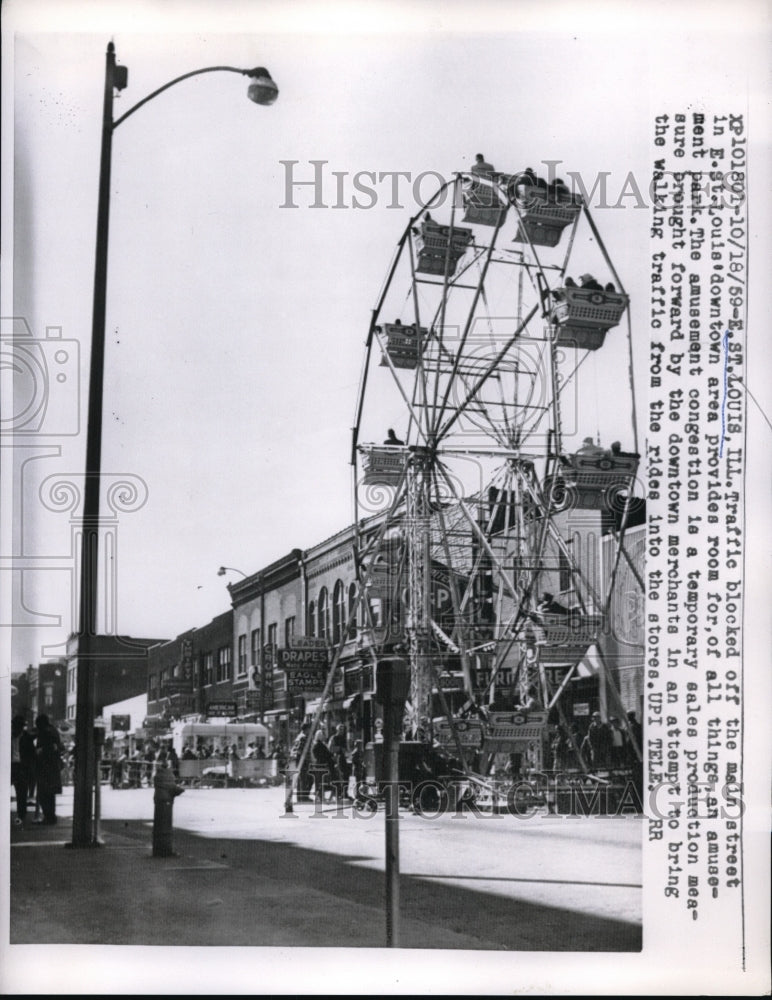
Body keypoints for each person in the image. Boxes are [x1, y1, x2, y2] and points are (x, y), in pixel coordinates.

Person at [33, 715, 63, 825]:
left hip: (45, 767)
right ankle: (51, 817)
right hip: (53, 767)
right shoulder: (54, 730)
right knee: (50, 794)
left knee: (43, 794)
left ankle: (49, 817)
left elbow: (50, 747)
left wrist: (40, 751)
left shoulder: (45, 732)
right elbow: (57, 746)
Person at [11, 716, 36, 826]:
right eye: (15, 726)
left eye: (19, 726)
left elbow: (32, 754)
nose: (16, 728)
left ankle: (21, 815)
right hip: (9, 765)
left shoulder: (27, 737)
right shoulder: (6, 735)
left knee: (21, 791)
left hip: (22, 766)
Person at [311, 730, 337, 803]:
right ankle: (321, 796)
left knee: (319, 782)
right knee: (324, 781)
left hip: (319, 765)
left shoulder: (317, 745)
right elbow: (327, 755)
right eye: (323, 735)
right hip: (323, 766)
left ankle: (320, 796)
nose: (324, 737)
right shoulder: (320, 745)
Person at [328, 723, 351, 799]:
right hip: (337, 758)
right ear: (337, 730)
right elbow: (330, 748)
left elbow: (346, 749)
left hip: (344, 758)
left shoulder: (344, 738)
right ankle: (339, 793)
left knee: (346, 775)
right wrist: (339, 749)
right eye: (340, 729)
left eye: (343, 729)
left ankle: (345, 792)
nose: (342, 731)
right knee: (339, 776)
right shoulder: (334, 738)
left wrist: (347, 753)